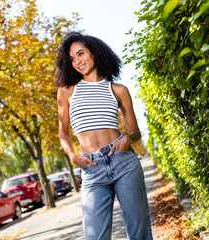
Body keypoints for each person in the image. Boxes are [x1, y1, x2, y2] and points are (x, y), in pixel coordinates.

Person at [55, 31, 153, 240]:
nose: (77, 61)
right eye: (72, 59)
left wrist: (128, 138)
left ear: (94, 53)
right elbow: (63, 133)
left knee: (139, 233)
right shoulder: (66, 91)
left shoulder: (118, 90)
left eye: (81, 54)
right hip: (91, 168)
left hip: (123, 162)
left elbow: (135, 132)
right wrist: (73, 156)